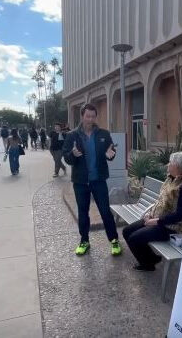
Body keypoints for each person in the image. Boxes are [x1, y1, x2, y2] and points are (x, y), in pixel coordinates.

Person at [62, 103, 120, 256]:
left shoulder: (104, 134)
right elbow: (66, 158)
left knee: (105, 211)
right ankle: (84, 241)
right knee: (83, 212)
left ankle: (114, 240)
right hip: (80, 182)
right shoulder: (72, 135)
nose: (90, 119)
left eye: (93, 116)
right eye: (87, 116)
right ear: (82, 116)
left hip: (98, 180)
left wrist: (111, 155)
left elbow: (111, 152)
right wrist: (73, 155)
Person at [123, 152, 182, 271]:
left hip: (170, 227)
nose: (168, 165)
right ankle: (152, 258)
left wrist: (156, 221)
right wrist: (150, 213)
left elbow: (180, 215)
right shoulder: (170, 178)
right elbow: (160, 200)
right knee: (127, 231)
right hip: (155, 218)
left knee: (134, 239)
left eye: (170, 163)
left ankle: (147, 265)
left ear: (177, 166)